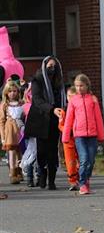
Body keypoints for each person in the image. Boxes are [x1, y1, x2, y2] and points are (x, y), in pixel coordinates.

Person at [24, 56, 66, 190]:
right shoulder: (38, 80)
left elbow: (62, 98)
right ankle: (42, 175)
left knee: (52, 151)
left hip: (55, 120)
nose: (51, 69)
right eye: (49, 66)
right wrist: (52, 109)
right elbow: (37, 100)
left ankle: (52, 180)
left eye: (54, 66)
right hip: (41, 119)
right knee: (41, 151)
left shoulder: (59, 82)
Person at [61, 74, 104, 195]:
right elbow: (69, 119)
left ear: (87, 85)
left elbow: (98, 118)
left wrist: (101, 135)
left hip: (92, 134)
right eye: (77, 86)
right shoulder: (73, 101)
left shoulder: (93, 99)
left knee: (91, 161)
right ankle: (82, 183)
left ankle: (86, 179)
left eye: (81, 85)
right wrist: (65, 136)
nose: (79, 88)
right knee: (84, 158)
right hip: (79, 135)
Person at [0, 80, 25, 184]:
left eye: (14, 91)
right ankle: (13, 173)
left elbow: (24, 116)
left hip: (20, 130)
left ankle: (20, 172)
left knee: (20, 153)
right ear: (6, 93)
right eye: (10, 91)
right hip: (10, 131)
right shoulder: (4, 105)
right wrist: (3, 136)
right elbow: (1, 122)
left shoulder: (21, 103)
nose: (12, 93)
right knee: (11, 153)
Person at [58, 87, 80, 191]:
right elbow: (60, 125)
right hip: (68, 139)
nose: (71, 98)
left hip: (79, 137)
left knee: (81, 159)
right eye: (69, 96)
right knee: (70, 161)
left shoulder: (80, 109)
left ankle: (81, 178)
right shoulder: (63, 111)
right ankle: (72, 181)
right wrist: (66, 129)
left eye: (73, 96)